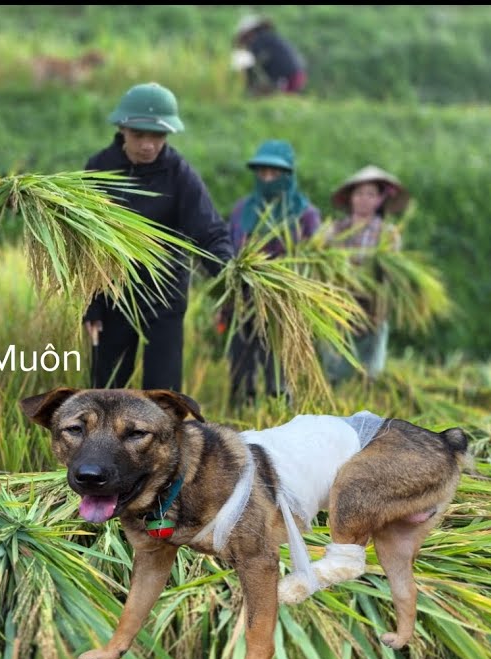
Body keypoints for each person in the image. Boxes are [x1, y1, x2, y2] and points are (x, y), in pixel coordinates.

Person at [81, 82, 235, 394]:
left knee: (162, 393)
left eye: (158, 136)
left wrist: (230, 268)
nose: (148, 145)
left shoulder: (179, 174)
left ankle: (165, 443)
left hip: (164, 294)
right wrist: (92, 305)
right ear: (122, 129)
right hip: (114, 292)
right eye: (139, 135)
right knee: (107, 389)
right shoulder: (98, 169)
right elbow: (86, 245)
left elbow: (210, 231)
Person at [225, 139, 321, 406]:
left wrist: (280, 275)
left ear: (287, 176)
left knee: (276, 365)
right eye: (263, 172)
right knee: (242, 361)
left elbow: (314, 261)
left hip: (283, 302)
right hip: (244, 299)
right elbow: (230, 247)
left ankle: (277, 409)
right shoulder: (242, 209)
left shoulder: (305, 215)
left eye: (274, 173)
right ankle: (242, 409)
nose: (267, 179)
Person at [321, 165, 410, 383]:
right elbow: (321, 262)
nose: (363, 199)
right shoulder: (334, 230)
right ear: (350, 198)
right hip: (339, 307)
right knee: (334, 371)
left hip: (373, 310)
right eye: (359, 193)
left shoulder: (387, 235)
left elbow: (393, 274)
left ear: (380, 200)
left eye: (371, 194)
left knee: (369, 375)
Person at [232, 14, 307, 97]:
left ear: (250, 33)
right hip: (297, 74)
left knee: (282, 101)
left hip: (290, 76)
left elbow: (248, 64)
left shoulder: (259, 40)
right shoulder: (269, 38)